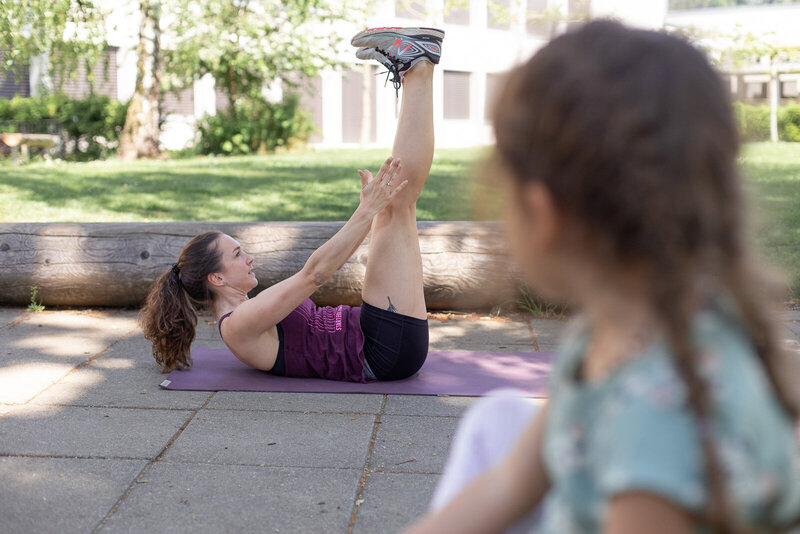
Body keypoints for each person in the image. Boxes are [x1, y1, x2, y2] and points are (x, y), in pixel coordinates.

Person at [407, 20, 800, 534]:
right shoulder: (623, 332)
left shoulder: (650, 430)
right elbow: (508, 485)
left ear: (543, 213)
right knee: (498, 419)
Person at [139, 27, 445, 383]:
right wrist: (366, 211)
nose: (249, 257)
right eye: (237, 254)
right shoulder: (237, 326)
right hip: (383, 352)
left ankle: (417, 66)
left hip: (374, 332)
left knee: (398, 203)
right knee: (395, 204)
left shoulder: (245, 310)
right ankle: (418, 65)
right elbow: (315, 274)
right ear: (217, 277)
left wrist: (371, 211)